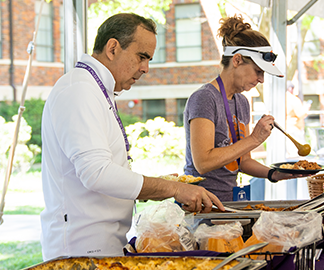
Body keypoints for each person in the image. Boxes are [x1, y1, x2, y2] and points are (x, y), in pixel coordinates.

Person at [40, 13, 224, 261]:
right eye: (142, 57)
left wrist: (155, 185)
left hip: (103, 243)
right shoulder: (79, 90)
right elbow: (97, 173)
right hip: (82, 248)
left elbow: (107, 168)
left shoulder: (95, 88)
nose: (146, 68)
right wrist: (173, 189)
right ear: (113, 48)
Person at [183, 15, 306, 202]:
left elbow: (244, 161)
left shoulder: (241, 102)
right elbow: (203, 163)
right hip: (203, 206)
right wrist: (255, 138)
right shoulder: (204, 98)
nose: (262, 79)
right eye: (258, 71)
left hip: (230, 203)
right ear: (237, 60)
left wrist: (274, 174)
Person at [286, 81, 310, 157]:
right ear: (290, 89)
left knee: (289, 153)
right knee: (296, 154)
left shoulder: (282, 99)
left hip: (286, 128)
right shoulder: (294, 99)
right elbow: (301, 114)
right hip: (295, 129)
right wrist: (307, 108)